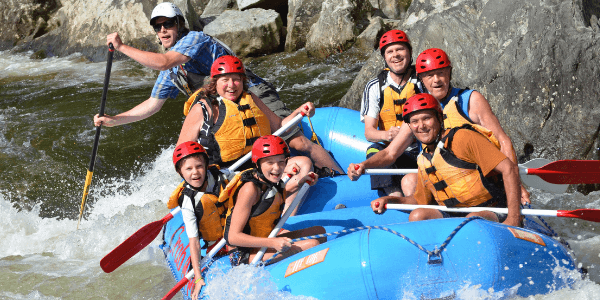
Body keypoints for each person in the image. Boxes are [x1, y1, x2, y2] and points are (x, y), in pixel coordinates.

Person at [350, 48, 530, 204]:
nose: (436, 80)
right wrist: (363, 165)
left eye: (441, 73)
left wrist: (517, 185)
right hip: (443, 179)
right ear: (421, 79)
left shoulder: (470, 100)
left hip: (477, 178)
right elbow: (390, 153)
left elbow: (503, 141)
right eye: (429, 75)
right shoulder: (417, 110)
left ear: (449, 74)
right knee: (409, 182)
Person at [177, 55, 342, 214]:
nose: (231, 85)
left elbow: (279, 125)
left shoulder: (251, 98)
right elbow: (181, 153)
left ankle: (284, 221)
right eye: (225, 80)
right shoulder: (203, 109)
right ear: (215, 83)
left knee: (303, 164)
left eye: (236, 79)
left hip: (259, 168)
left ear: (243, 81)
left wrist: (299, 112)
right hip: (227, 177)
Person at [93, 2, 288, 128]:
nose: (163, 30)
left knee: (286, 129)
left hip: (254, 94)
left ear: (179, 24)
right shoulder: (172, 70)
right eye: (158, 27)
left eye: (168, 24)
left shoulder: (195, 39)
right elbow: (152, 105)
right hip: (227, 110)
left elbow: (163, 62)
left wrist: (122, 47)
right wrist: (115, 120)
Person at [370, 94, 522, 227]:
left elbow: (509, 169)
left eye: (427, 118)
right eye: (414, 121)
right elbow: (419, 201)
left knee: (471, 221)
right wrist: (389, 200)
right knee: (417, 216)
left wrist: (514, 219)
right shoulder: (424, 159)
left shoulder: (463, 138)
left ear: (439, 118)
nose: (421, 126)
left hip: (492, 209)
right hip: (456, 215)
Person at [221, 135, 326, 266]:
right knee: (312, 244)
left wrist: (301, 182)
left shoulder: (269, 180)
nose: (277, 168)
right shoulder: (250, 189)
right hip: (242, 254)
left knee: (319, 232)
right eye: (270, 162)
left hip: (265, 240)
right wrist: (272, 243)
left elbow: (271, 199)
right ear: (258, 163)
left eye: (281, 162)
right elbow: (233, 237)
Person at [359, 29, 423, 197]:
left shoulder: (422, 80)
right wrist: (387, 135)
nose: (395, 55)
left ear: (409, 52)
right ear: (385, 57)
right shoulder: (374, 87)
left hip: (420, 148)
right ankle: (393, 195)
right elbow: (369, 132)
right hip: (391, 151)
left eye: (400, 49)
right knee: (373, 150)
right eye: (390, 51)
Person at [171, 141, 232, 298]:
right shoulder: (188, 201)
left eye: (199, 166)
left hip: (238, 231)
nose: (195, 172)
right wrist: (198, 278)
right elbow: (194, 241)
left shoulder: (222, 176)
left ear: (206, 165)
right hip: (217, 246)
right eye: (188, 169)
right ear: (180, 173)